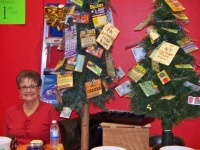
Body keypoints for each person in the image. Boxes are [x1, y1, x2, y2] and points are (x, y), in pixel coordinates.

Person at [4, 70, 59, 145]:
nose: (28, 90)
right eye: (24, 87)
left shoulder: (50, 110)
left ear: (39, 89)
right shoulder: (10, 112)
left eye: (32, 86)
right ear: (19, 90)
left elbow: (56, 143)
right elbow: (5, 141)